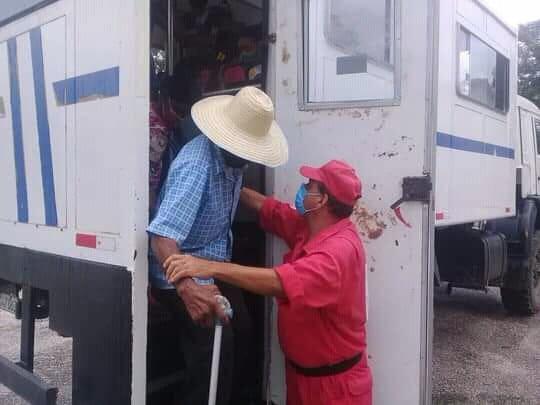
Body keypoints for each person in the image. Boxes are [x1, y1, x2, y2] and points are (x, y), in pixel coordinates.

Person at [165, 160, 373, 405]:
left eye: (309, 185)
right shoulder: (311, 227)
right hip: (302, 378)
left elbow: (279, 282)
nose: (303, 188)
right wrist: (229, 182)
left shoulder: (337, 252)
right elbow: (270, 209)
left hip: (334, 389)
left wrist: (208, 266)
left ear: (321, 200)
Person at [147, 86, 288, 405]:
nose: (250, 156)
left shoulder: (234, 161)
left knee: (245, 331)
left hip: (213, 262)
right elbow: (162, 238)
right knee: (213, 353)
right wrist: (187, 287)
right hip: (180, 269)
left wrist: (288, 213)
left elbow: (241, 195)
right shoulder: (197, 165)